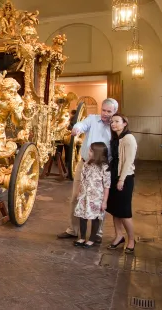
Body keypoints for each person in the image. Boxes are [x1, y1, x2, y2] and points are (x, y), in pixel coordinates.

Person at [57, 98, 118, 243]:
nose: (105, 113)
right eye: (103, 110)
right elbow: (81, 124)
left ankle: (97, 233)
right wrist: (77, 128)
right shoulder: (92, 119)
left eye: (109, 111)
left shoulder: (115, 125)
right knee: (75, 198)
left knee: (101, 201)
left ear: (114, 112)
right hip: (85, 165)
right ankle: (73, 230)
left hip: (103, 168)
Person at [106, 113, 137, 254]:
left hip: (124, 177)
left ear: (125, 123)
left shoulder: (129, 138)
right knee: (115, 210)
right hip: (114, 176)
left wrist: (121, 179)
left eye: (117, 121)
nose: (113, 124)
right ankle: (119, 236)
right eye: (112, 121)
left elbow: (128, 161)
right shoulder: (117, 138)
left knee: (124, 212)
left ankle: (131, 239)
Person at [73, 142, 110, 248]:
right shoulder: (87, 164)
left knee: (94, 219)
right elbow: (82, 179)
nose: (88, 152)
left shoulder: (104, 167)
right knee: (82, 217)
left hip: (96, 198)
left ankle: (92, 239)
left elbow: (107, 186)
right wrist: (79, 192)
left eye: (90, 151)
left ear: (97, 153)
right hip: (84, 196)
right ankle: (82, 237)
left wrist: (104, 201)